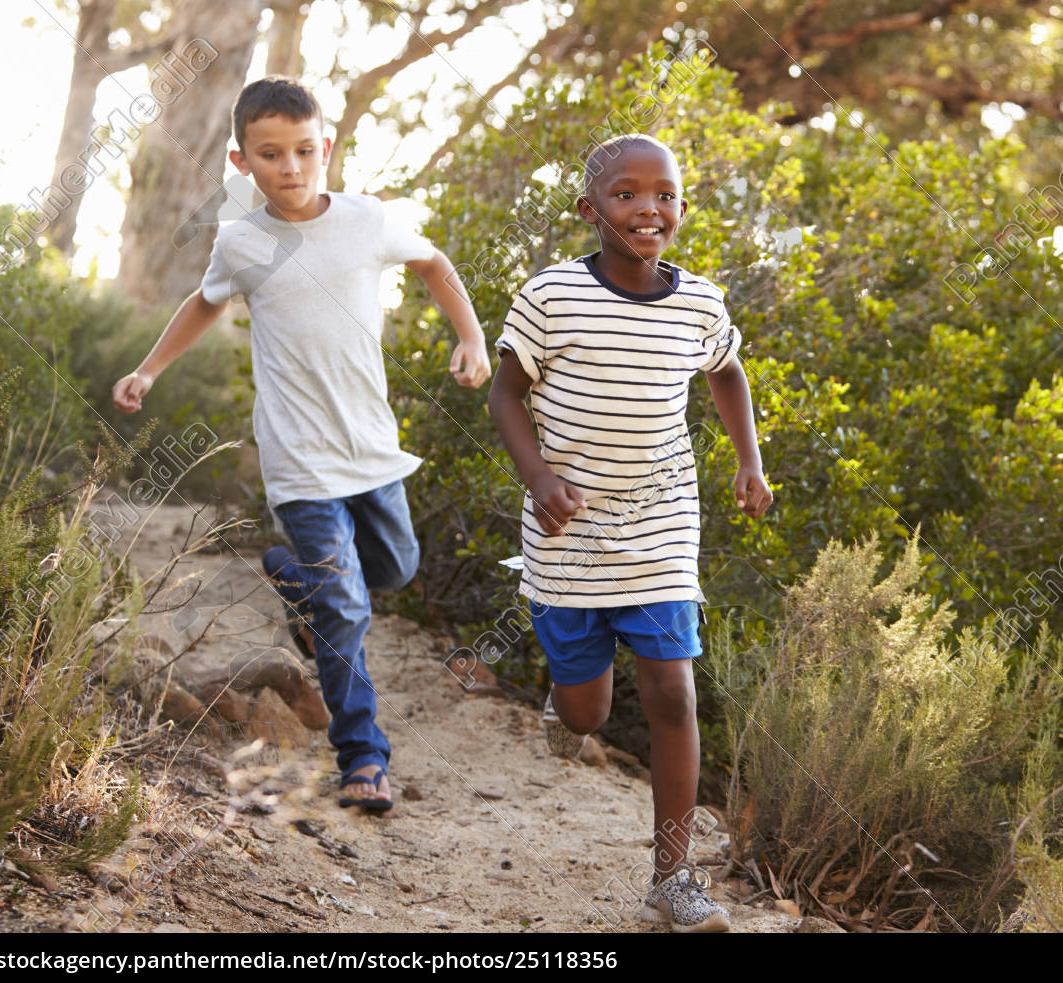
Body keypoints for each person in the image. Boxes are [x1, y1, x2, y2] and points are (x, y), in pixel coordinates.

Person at [112, 77, 490, 812]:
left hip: (373, 451)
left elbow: (434, 265)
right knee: (346, 609)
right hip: (300, 462)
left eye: (305, 151)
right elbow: (204, 301)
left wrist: (471, 337)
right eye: (271, 154)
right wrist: (149, 368)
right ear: (241, 160)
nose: (291, 167)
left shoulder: (365, 220)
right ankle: (363, 758)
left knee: (396, 567)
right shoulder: (243, 240)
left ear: (328, 148)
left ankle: (292, 580)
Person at [487, 133, 773, 932]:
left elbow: (725, 370)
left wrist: (748, 459)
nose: (650, 208)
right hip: (567, 526)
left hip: (661, 521)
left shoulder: (700, 302)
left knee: (673, 692)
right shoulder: (551, 296)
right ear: (590, 209)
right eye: (626, 195)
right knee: (586, 715)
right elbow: (506, 395)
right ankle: (564, 705)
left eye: (666, 194)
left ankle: (673, 876)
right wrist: (539, 477)